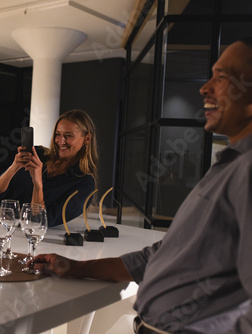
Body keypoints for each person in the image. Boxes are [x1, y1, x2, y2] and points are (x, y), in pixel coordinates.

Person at [33, 38, 252, 334]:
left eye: (222, 77)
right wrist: (76, 268)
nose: (205, 87)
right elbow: (160, 255)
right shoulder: (229, 166)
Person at [0, 109, 98, 227]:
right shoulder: (38, 154)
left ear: (87, 139)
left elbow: (41, 221)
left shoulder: (84, 183)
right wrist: (14, 167)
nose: (61, 141)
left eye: (68, 136)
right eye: (58, 134)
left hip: (26, 235)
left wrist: (38, 182)